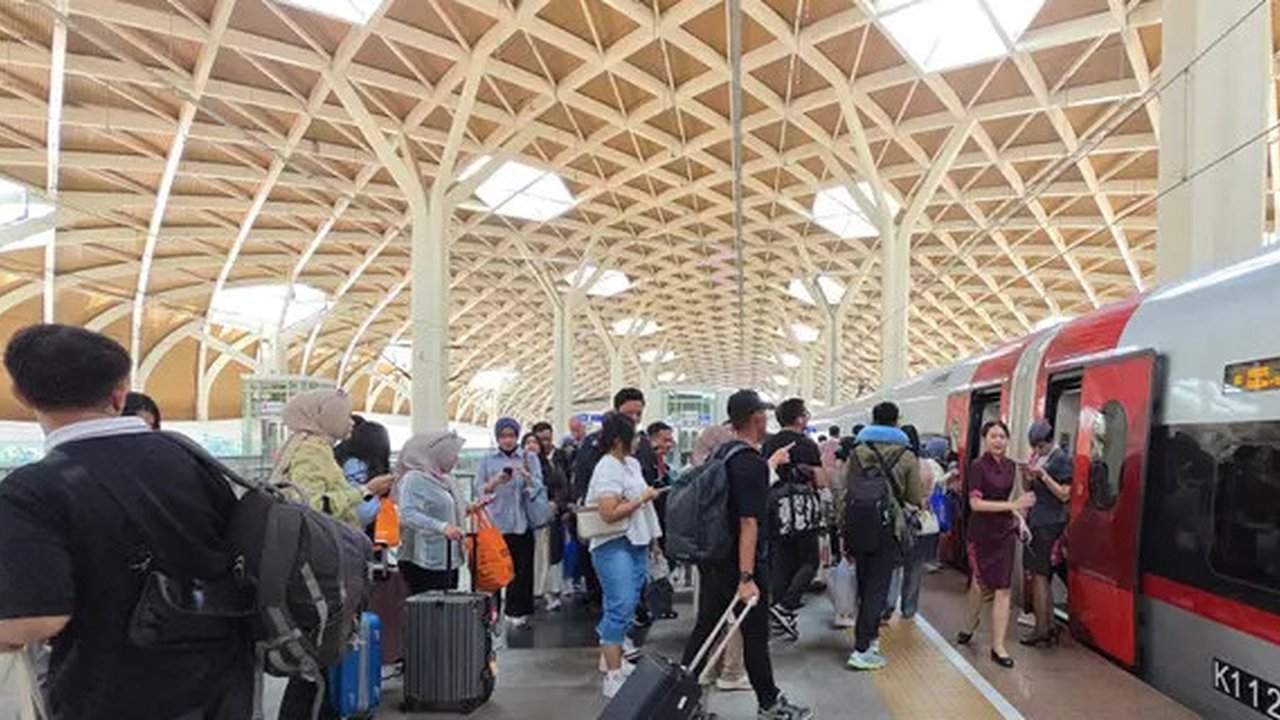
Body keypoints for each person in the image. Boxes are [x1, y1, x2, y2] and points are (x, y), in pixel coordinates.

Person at [0, 324, 252, 719]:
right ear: (120, 394)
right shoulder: (190, 458)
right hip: (220, 687)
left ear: (21, 394)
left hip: (109, 696)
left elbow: (36, 619)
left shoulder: (30, 490)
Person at [680, 390, 813, 720]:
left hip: (714, 557)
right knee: (755, 634)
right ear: (756, 417)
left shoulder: (724, 453)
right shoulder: (750, 462)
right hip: (741, 562)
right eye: (763, 413)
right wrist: (746, 577)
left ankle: (680, 699)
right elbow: (748, 522)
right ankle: (769, 704)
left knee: (706, 626)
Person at [274, 389, 394, 718]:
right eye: (344, 414)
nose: (351, 422)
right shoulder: (312, 451)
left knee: (319, 655)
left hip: (318, 562)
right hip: (321, 568)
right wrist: (365, 491)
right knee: (319, 652)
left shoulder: (307, 447)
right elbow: (310, 506)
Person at [585, 414, 663, 698]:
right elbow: (608, 513)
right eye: (634, 435)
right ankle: (613, 674)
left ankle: (612, 657)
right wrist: (642, 498)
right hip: (612, 543)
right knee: (621, 603)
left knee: (627, 604)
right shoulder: (607, 467)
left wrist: (654, 540)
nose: (639, 440)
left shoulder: (631, 464)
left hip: (637, 541)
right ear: (619, 440)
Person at [844, 402, 922, 671]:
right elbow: (914, 497)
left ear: (873, 419)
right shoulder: (907, 455)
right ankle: (862, 648)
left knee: (864, 585)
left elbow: (847, 488)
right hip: (888, 527)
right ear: (896, 421)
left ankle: (869, 639)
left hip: (858, 523)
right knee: (877, 589)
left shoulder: (858, 451)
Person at [958, 420, 1035, 668]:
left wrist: (1018, 518)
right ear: (985, 439)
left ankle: (998, 646)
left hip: (1004, 533)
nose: (998, 441)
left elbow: (1015, 499)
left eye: (1002, 436)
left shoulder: (1012, 466)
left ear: (1008, 440)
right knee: (979, 584)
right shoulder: (977, 466)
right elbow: (975, 504)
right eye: (993, 436)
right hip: (981, 534)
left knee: (1003, 588)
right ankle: (970, 624)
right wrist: (1013, 505)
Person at [762, 398, 824, 641]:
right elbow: (820, 480)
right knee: (810, 560)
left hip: (774, 506)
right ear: (799, 418)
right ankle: (786, 606)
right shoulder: (807, 444)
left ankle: (778, 615)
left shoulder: (769, 442)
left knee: (782, 560)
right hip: (800, 508)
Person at [474, 417, 546, 628]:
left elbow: (538, 486)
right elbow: (479, 490)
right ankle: (492, 612)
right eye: (503, 436)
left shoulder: (528, 457)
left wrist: (525, 476)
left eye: (512, 435)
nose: (507, 440)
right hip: (496, 524)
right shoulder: (487, 460)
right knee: (495, 570)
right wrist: (495, 482)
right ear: (497, 438)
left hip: (522, 522)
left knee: (521, 570)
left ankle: (517, 612)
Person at [396, 431, 470, 594]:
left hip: (450, 556)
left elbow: (450, 507)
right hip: (426, 559)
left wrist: (470, 507)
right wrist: (442, 527)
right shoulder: (414, 479)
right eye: (452, 454)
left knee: (449, 602)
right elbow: (407, 513)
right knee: (429, 605)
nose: (456, 459)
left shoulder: (446, 479)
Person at [1021, 420, 1072, 647]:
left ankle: (1041, 629)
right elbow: (1027, 489)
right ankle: (1049, 626)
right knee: (1039, 575)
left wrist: (1043, 475)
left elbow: (1064, 494)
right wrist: (1026, 475)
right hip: (1037, 522)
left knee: (1040, 576)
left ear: (1050, 441)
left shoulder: (1061, 459)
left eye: (1040, 446)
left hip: (1049, 524)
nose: (1037, 450)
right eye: (1034, 446)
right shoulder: (1038, 458)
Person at [883, 424, 931, 622]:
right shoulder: (927, 465)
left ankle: (888, 605)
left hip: (899, 518)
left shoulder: (897, 461)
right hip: (920, 520)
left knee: (894, 564)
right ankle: (909, 609)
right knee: (915, 566)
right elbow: (924, 496)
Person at [528, 425, 568, 611]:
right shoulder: (520, 465)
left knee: (549, 555)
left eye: (537, 442)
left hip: (549, 518)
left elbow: (562, 485)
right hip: (528, 520)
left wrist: (557, 504)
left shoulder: (552, 464)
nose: (534, 446)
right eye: (529, 442)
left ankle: (548, 590)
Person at [334, 416, 392, 530]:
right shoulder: (360, 467)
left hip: (348, 523)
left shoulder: (349, 463)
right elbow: (362, 511)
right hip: (356, 525)